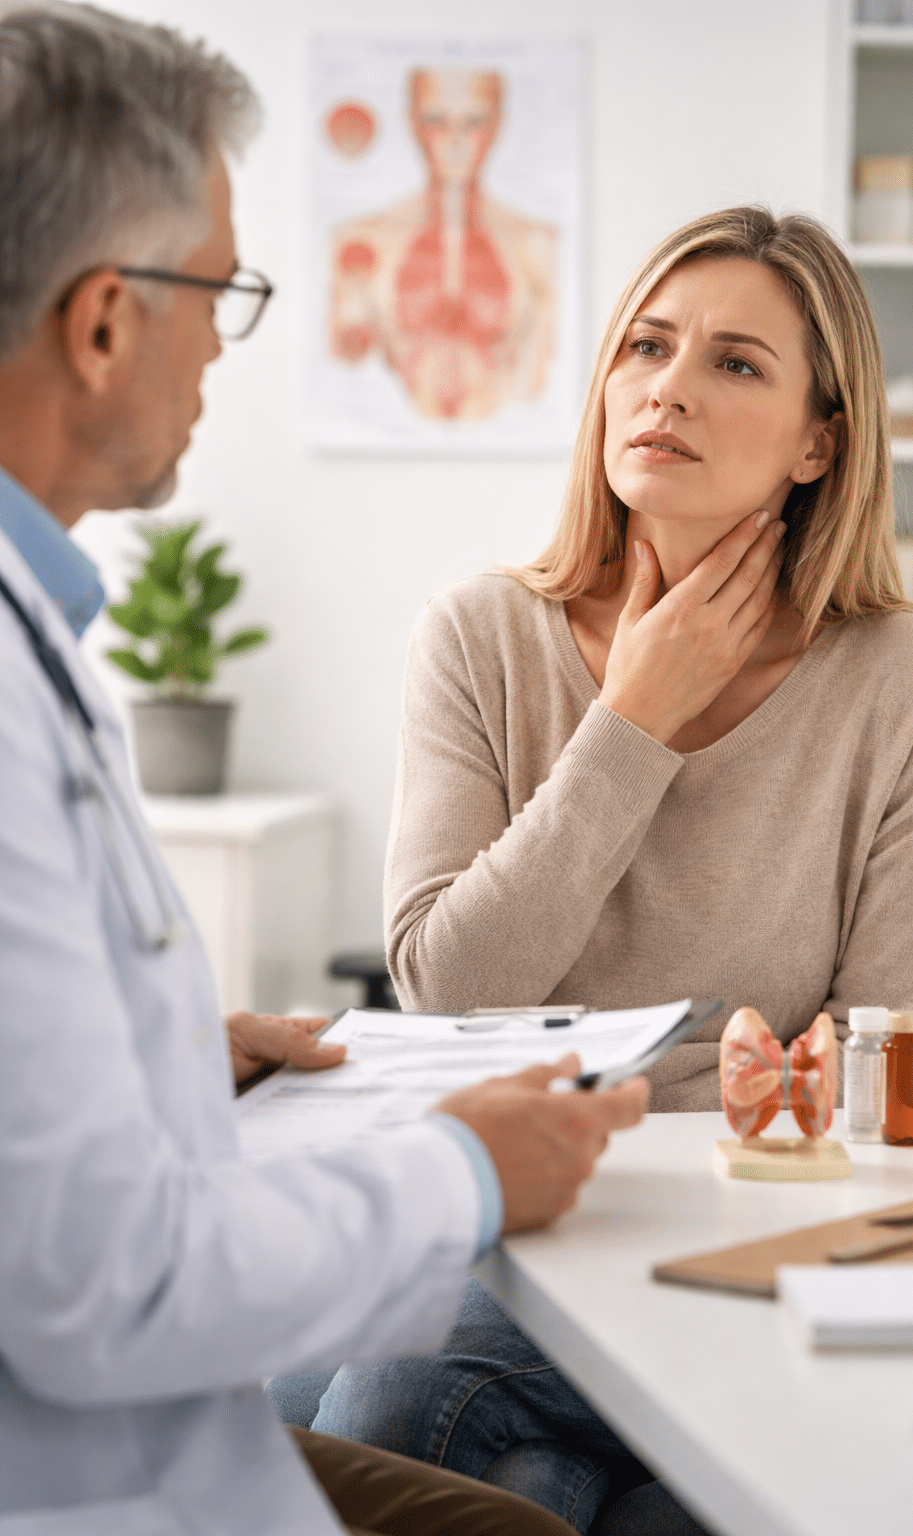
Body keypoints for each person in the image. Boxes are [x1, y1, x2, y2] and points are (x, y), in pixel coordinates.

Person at [0, 8, 647, 1534]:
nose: (225, 353)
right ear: (102, 325)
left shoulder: (43, 640)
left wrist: (160, 1061)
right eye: (217, 296)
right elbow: (102, 1278)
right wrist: (464, 1176)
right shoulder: (483, 632)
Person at [309, 208, 913, 1529]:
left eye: (736, 363)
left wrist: (750, 1096)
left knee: (477, 1451)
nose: (669, 387)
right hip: (517, 1213)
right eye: (647, 345)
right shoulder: (481, 637)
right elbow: (448, 988)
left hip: (748, 1224)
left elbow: (880, 1049)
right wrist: (631, 724)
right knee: (425, 1424)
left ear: (819, 443)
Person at [328, 65, 557, 420]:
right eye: (436, 120)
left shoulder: (538, 248)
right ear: (412, 124)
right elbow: (344, 379)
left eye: (474, 122)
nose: (455, 139)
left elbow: (537, 386)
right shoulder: (360, 242)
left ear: (498, 125)